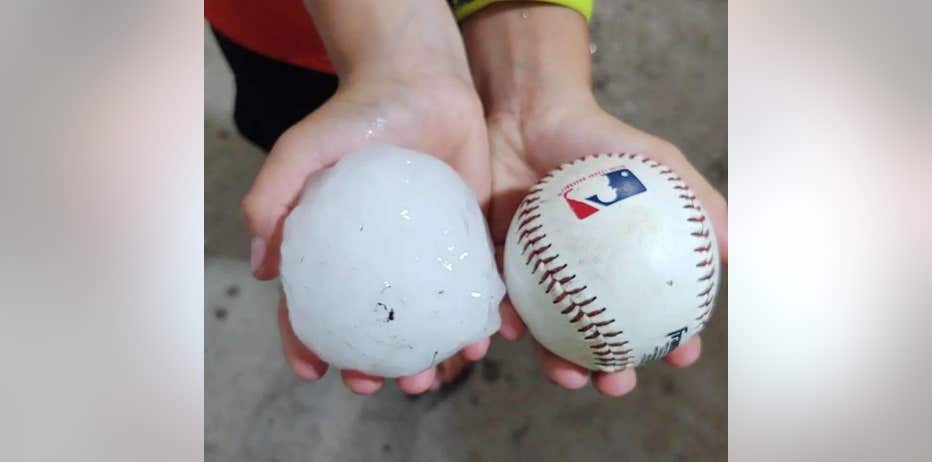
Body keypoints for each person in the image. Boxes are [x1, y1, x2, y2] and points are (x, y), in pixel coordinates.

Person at [206, 0, 728, 397]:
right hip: (282, 24)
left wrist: (527, 70)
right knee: (299, 134)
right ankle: (419, 318)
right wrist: (397, 60)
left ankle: (434, 320)